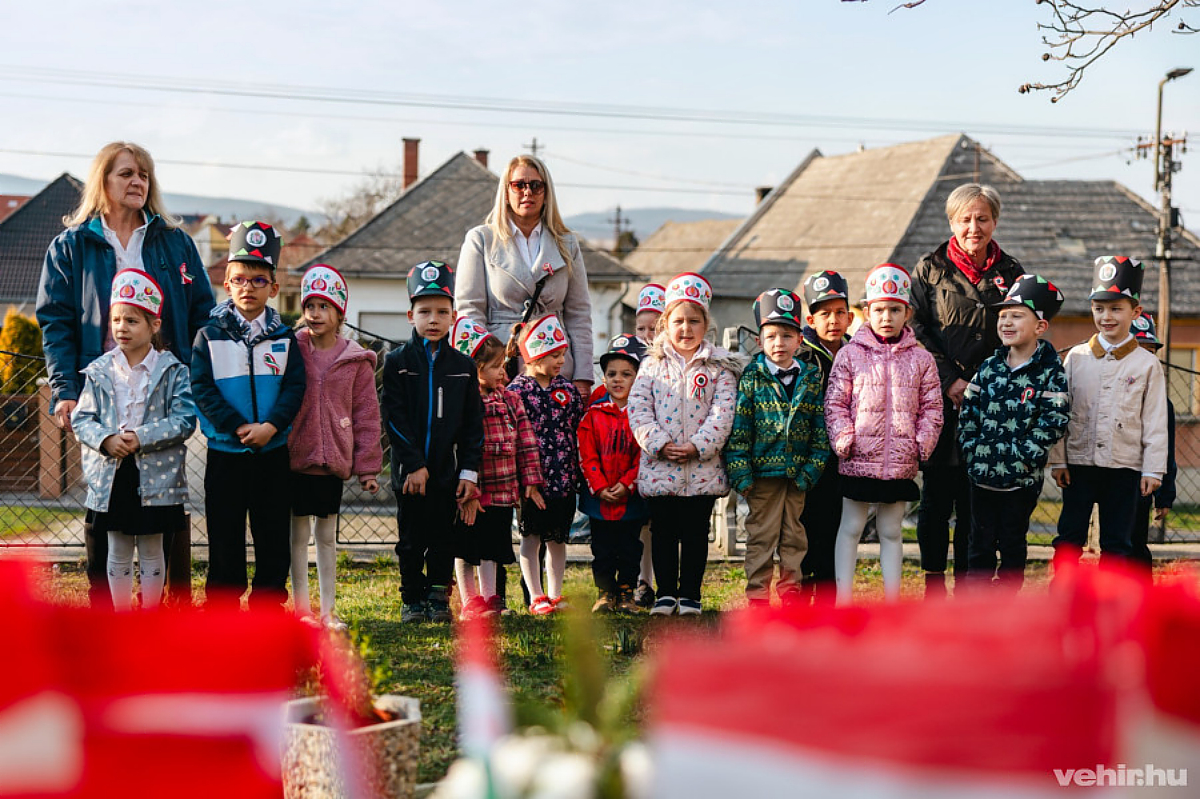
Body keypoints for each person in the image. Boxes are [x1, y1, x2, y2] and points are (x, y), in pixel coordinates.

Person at [37, 141, 214, 608]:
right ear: (104, 180)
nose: (138, 182)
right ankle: (107, 618)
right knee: (105, 507)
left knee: (165, 503)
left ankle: (167, 616)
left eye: (144, 175)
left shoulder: (174, 242)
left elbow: (201, 316)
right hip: (102, 387)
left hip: (160, 383)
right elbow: (55, 322)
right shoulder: (71, 245)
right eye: (127, 174)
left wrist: (196, 382)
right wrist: (65, 390)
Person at [910, 184, 1024, 597]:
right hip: (939, 400)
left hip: (989, 403)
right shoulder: (928, 268)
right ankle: (933, 586)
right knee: (936, 500)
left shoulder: (1012, 272)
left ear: (994, 221)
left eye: (982, 218)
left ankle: (967, 587)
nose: (973, 227)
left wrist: (984, 382)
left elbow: (1019, 330)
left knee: (974, 504)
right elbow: (917, 330)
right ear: (951, 221)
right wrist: (949, 380)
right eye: (965, 219)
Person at [191, 222, 304, 611]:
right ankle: (222, 604)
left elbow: (294, 387)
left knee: (273, 533)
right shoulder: (208, 335)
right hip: (226, 453)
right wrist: (238, 427)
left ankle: (268, 603)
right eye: (239, 279)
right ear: (226, 283)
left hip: (272, 454)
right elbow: (202, 388)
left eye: (258, 280)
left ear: (273, 288)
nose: (248, 288)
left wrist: (271, 427)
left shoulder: (285, 338)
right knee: (225, 534)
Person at [72, 270, 196, 610]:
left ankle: (151, 618)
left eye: (132, 320)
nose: (121, 327)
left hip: (156, 475)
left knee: (154, 548)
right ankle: (121, 620)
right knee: (118, 548)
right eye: (116, 319)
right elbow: (81, 418)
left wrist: (142, 437)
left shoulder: (174, 371)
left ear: (154, 325)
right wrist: (107, 439)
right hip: (113, 476)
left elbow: (185, 419)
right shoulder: (98, 371)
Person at [826, 265, 943, 605]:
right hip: (858, 458)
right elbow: (835, 402)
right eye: (878, 309)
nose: (886, 317)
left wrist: (922, 443)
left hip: (900, 462)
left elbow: (932, 407)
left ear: (907, 312)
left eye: (894, 309)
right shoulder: (850, 355)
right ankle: (843, 600)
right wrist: (844, 438)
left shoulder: (922, 360)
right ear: (867, 311)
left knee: (892, 531)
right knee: (851, 528)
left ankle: (893, 602)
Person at [628, 272, 740, 617]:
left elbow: (723, 412)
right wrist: (659, 444)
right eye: (678, 321)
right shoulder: (651, 365)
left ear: (706, 324)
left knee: (694, 535)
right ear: (665, 323)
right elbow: (638, 410)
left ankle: (690, 594)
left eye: (694, 321)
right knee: (663, 533)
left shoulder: (719, 367)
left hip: (701, 471)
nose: (686, 329)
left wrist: (698, 446)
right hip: (661, 468)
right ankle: (665, 594)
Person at [1049, 257, 1168, 573]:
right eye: (1099, 308)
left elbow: (1156, 422)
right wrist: (1058, 459)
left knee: (1118, 543)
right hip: (1079, 465)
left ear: (1135, 312)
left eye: (1116, 308)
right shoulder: (1076, 358)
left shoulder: (1147, 365)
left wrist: (1153, 470)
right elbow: (1060, 412)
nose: (1107, 316)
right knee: (1069, 537)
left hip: (1124, 467)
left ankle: (1112, 607)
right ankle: (1063, 601)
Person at [382, 261, 483, 623]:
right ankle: (412, 598)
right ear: (411, 314)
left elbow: (473, 425)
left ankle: (439, 598)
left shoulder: (463, 367)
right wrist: (414, 464)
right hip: (410, 474)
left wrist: (468, 472)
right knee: (411, 540)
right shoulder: (397, 363)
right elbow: (394, 418)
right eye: (425, 311)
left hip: (445, 473)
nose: (434, 319)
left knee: (443, 538)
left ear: (454, 315)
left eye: (442, 311)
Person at [957, 275, 1070, 592]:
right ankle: (975, 604)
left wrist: (1025, 458)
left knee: (1012, 544)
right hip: (982, 476)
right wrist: (972, 451)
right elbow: (969, 411)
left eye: (1017, 315)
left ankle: (1007, 604)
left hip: (1021, 482)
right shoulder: (989, 367)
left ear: (1040, 327)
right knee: (978, 545)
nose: (1006, 321)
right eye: (1002, 315)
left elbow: (1055, 417)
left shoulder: (1050, 372)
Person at [287, 265, 382, 630]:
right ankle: (301, 611)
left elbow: (366, 415)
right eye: (309, 305)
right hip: (296, 460)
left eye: (324, 306)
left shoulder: (356, 361)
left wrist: (368, 466)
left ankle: (328, 611)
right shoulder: (292, 350)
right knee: (296, 538)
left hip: (333, 462)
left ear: (340, 313)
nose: (315, 313)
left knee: (325, 538)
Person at [456, 154, 595, 398]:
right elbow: (470, 312)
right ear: (506, 191)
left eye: (536, 185)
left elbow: (579, 314)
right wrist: (480, 370)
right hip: (501, 368)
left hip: (555, 365)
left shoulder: (567, 243)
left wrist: (583, 377)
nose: (527, 192)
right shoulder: (481, 240)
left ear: (546, 192)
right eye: (519, 185)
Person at [725, 289, 829, 608]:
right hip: (761, 477)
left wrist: (810, 472)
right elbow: (738, 431)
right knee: (761, 536)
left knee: (793, 536)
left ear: (800, 340)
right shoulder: (752, 379)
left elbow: (819, 431)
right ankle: (757, 593)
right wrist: (741, 476)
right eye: (771, 336)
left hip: (796, 475)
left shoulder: (810, 379)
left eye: (787, 335)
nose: (779, 343)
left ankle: (791, 590)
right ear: (759, 341)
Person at [450, 316, 544, 620]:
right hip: (474, 491)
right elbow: (462, 446)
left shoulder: (511, 399)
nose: (503, 372)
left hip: (503, 491)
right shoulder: (466, 402)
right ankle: (469, 600)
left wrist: (530, 480)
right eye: (495, 367)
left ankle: (491, 597)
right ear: (476, 369)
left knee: (492, 546)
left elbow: (527, 440)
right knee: (466, 546)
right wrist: (468, 489)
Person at [507, 315, 585, 615]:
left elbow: (579, 426)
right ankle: (536, 596)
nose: (561, 361)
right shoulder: (517, 391)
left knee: (557, 539)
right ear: (534, 355)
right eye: (554, 355)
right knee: (531, 537)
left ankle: (555, 594)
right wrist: (523, 478)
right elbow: (512, 437)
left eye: (562, 354)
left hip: (563, 478)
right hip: (532, 482)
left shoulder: (566, 389)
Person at [579, 334, 649, 614]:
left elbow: (643, 454)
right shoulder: (593, 414)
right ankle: (605, 591)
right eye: (611, 374)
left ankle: (627, 592)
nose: (618, 379)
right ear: (604, 378)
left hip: (630, 497)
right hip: (600, 497)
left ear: (638, 377)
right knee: (602, 548)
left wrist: (626, 484)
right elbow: (587, 454)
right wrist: (599, 486)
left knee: (630, 547)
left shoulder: (643, 415)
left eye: (626, 374)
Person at [796, 270, 852, 604]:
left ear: (850, 316)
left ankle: (830, 595)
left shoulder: (856, 351)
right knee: (805, 525)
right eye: (824, 313)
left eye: (839, 312)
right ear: (810, 319)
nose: (833, 320)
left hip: (842, 456)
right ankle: (802, 593)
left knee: (835, 524)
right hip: (806, 456)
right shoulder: (801, 355)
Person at [1129, 312, 1177, 582]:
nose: (1146, 358)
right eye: (1139, 349)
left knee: (1135, 540)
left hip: (1142, 482)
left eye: (1151, 351)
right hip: (1110, 477)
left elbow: (1166, 447)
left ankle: (1141, 594)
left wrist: (1165, 493)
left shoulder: (1163, 403)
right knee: (1114, 542)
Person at [631, 282, 665, 607]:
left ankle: (656, 579)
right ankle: (640, 580)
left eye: (653, 327)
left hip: (660, 453)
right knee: (639, 525)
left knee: (658, 526)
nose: (646, 334)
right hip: (630, 452)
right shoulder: (627, 359)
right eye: (641, 327)